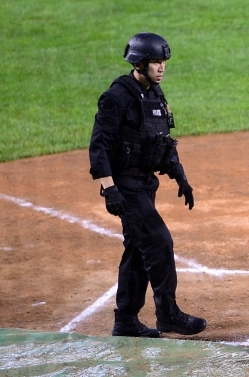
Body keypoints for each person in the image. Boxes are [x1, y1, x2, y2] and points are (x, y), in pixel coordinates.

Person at [88, 32, 206, 338]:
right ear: (139, 62)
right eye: (156, 61)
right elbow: (99, 146)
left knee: (138, 248)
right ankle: (167, 314)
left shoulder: (155, 94)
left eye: (163, 61)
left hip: (145, 184)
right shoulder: (117, 96)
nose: (162, 67)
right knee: (158, 242)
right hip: (125, 186)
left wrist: (178, 173)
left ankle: (125, 319)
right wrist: (109, 188)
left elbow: (161, 140)